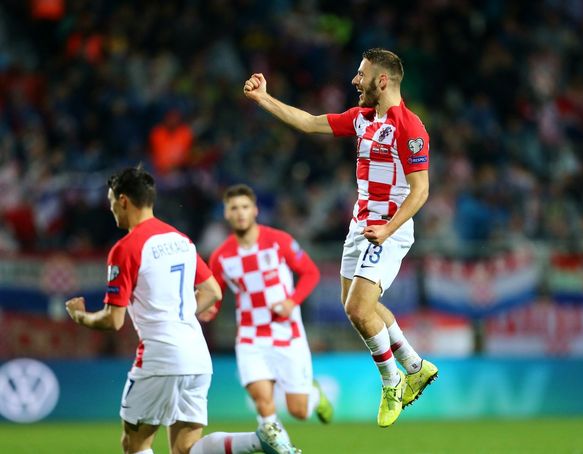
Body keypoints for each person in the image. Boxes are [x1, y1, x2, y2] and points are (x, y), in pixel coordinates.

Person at [243, 48, 438, 428]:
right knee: (359, 307)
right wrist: (263, 98)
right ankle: (415, 366)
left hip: (388, 228)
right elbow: (309, 123)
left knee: (359, 309)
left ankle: (392, 381)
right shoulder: (364, 117)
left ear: (383, 81)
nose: (354, 80)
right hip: (360, 225)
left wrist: (387, 229)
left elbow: (421, 191)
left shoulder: (410, 127)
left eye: (361, 74)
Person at [65, 167, 300, 454]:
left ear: (124, 200)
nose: (111, 207)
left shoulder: (126, 248)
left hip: (159, 356)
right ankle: (257, 439)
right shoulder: (181, 240)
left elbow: (113, 320)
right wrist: (185, 312)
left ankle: (259, 439)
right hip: (197, 355)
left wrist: (80, 316)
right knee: (186, 448)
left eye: (111, 200)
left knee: (135, 443)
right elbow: (212, 291)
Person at [202, 184, 333, 445]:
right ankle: (282, 448)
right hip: (251, 337)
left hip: (288, 333)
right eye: (234, 208)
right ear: (226, 214)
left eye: (244, 207)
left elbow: (311, 273)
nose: (240, 213)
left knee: (299, 411)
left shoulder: (279, 241)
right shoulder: (220, 257)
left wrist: (291, 301)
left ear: (255, 210)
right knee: (264, 405)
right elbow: (214, 296)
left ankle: (314, 396)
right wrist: (209, 310)